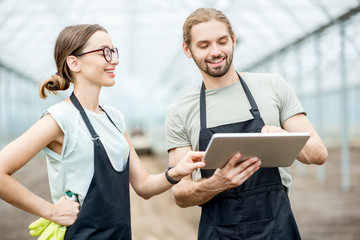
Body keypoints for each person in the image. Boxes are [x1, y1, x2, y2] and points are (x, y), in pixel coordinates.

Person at [0, 24, 206, 239]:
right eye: (104, 52)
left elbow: (143, 186)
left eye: (113, 51)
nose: (114, 60)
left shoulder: (114, 118)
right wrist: (50, 211)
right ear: (74, 62)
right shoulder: (59, 119)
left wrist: (177, 171)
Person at [165, 8, 328, 240]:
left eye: (222, 41)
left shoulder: (273, 86)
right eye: (204, 45)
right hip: (219, 232)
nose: (216, 51)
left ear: (233, 39)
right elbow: (180, 193)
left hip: (277, 228)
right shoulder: (180, 112)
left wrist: (285, 138)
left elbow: (318, 154)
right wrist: (216, 184)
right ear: (187, 49)